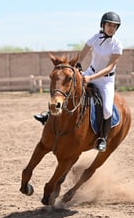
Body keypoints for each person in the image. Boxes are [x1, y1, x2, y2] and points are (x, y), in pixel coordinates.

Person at [34, 11, 123, 152]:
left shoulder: (117, 45)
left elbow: (109, 67)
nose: (111, 28)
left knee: (106, 109)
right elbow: (81, 56)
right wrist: (77, 68)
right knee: (68, 90)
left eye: (114, 26)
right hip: (89, 72)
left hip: (106, 80)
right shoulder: (95, 38)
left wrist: (91, 78)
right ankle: (48, 114)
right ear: (103, 25)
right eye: (109, 25)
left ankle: (102, 138)